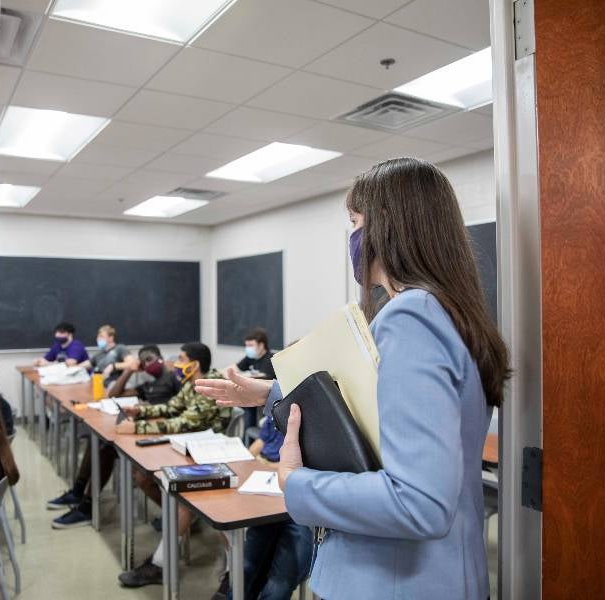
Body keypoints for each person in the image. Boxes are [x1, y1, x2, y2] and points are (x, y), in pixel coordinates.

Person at [196, 158, 511, 600]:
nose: (353, 237)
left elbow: (418, 502)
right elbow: (382, 405)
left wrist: (295, 481)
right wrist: (267, 392)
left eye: (355, 222)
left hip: (394, 581)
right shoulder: (448, 313)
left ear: (388, 227)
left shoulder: (410, 317)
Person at [116, 342, 227, 588]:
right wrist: (140, 412)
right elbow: (172, 407)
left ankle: (160, 564)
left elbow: (185, 422)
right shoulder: (192, 384)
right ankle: (178, 534)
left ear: (194, 365)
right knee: (143, 477)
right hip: (188, 449)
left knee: (181, 499)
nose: (176, 364)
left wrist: (138, 427)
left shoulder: (211, 386)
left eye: (182, 358)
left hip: (208, 455)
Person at [47, 345, 178, 529]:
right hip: (146, 429)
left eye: (151, 359)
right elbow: (115, 394)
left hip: (164, 435)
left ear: (161, 358)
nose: (148, 363)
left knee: (110, 450)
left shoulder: (172, 378)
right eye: (144, 361)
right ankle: (79, 493)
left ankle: (86, 505)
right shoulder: (150, 383)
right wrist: (128, 371)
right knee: (101, 443)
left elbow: (181, 409)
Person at [212, 415, 313, 600]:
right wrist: (252, 460)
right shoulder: (277, 408)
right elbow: (260, 442)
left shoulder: (316, 418)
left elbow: (299, 468)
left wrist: (265, 464)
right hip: (267, 494)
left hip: (300, 507)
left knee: (279, 583)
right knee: (246, 568)